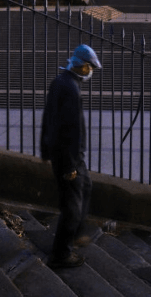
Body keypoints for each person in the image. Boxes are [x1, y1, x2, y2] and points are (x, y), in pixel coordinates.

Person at [40, 44, 102, 269]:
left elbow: (49, 118)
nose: (91, 72)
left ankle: (76, 234)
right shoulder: (70, 89)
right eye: (90, 67)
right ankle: (61, 253)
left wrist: (45, 150)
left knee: (85, 187)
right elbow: (67, 130)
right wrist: (69, 166)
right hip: (70, 159)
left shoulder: (61, 82)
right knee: (72, 206)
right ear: (83, 67)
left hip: (70, 157)